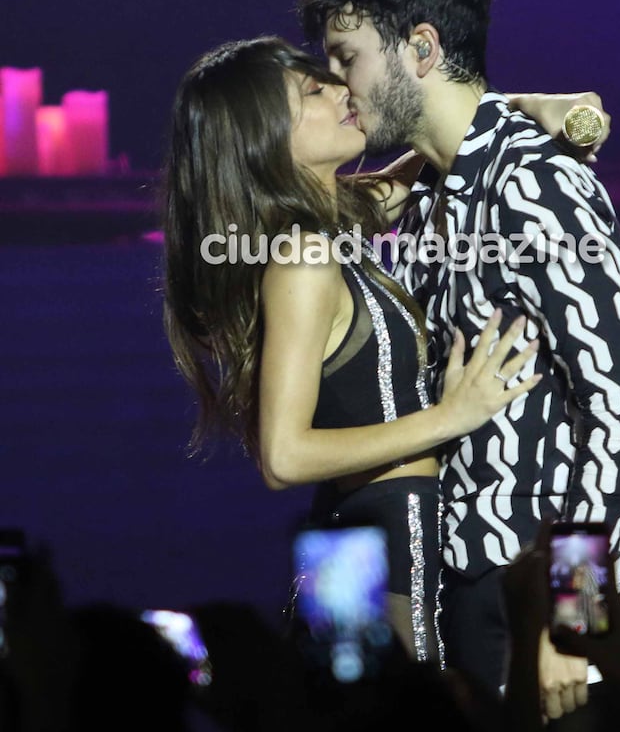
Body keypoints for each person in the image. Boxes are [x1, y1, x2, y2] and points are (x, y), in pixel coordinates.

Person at [298, 0, 620, 705]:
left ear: (419, 50)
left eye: (347, 58)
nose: (338, 85)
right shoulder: (426, 191)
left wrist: (573, 616)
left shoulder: (534, 183)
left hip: (541, 586)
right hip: (464, 582)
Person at [162, 35, 542, 663]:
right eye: (314, 90)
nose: (343, 89)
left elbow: (422, 160)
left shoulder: (321, 230)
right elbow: (283, 455)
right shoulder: (303, 259)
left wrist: (540, 109)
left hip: (365, 534)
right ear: (264, 136)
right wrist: (449, 418)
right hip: (385, 537)